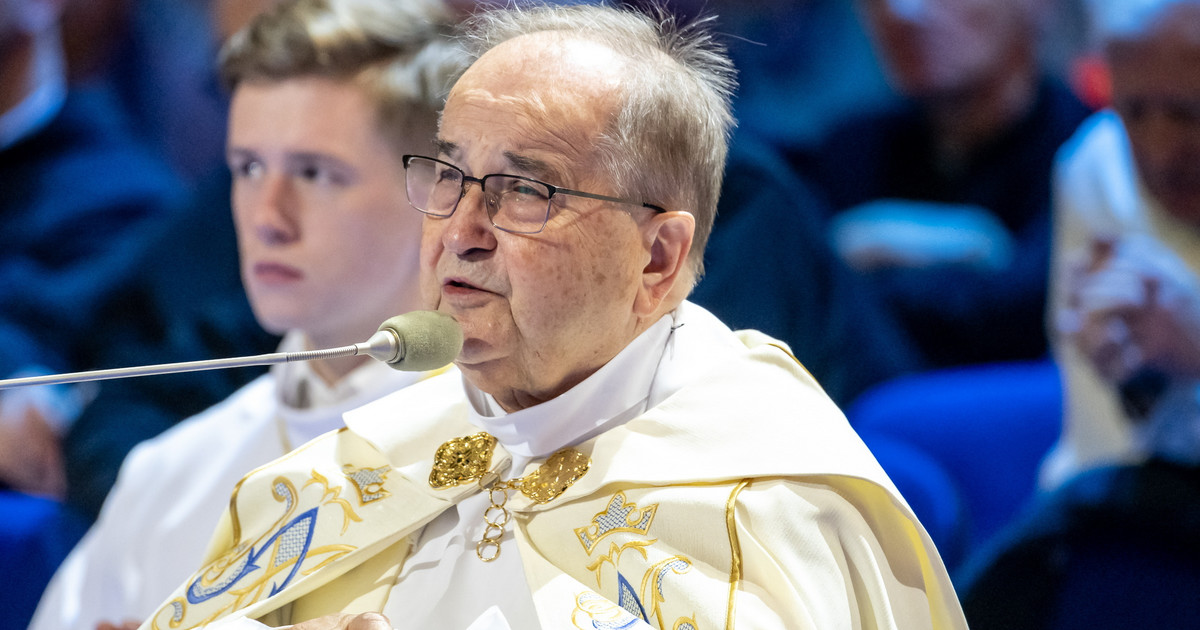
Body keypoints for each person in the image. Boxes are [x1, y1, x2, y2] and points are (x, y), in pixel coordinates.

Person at [137, 4, 968, 629]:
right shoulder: (362, 467)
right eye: (447, 174)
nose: (460, 232)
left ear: (658, 258)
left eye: (526, 191)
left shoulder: (765, 502)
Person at [28, 1, 465, 628]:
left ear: (438, 190)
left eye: (316, 173)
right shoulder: (170, 475)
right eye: (249, 168)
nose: (267, 217)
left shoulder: (530, 450)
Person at [958, 1, 1200, 626]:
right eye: (1133, 112)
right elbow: (1099, 448)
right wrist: (1133, 381)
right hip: (1126, 513)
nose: (1159, 152)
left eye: (1188, 114)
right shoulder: (1097, 168)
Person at [796, 0, 1093, 368]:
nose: (903, 13)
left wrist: (852, 264)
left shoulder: (1091, 150)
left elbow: (1029, 308)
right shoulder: (850, 149)